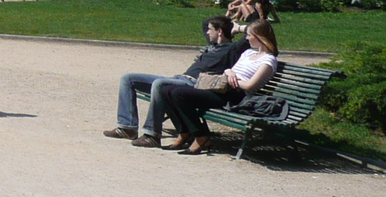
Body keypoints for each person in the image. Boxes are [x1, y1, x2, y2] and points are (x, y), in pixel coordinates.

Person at [105, 16, 246, 146]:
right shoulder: (212, 46)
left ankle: (152, 135)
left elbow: (258, 31)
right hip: (178, 79)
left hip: (193, 84)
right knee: (128, 78)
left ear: (220, 31)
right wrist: (226, 26)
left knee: (159, 84)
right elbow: (205, 22)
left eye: (210, 30)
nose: (207, 32)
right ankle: (127, 127)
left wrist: (238, 28)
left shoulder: (232, 49)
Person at [155, 20, 280, 155]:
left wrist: (234, 79)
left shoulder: (268, 60)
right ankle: (184, 133)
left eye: (250, 35)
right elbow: (228, 71)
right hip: (222, 88)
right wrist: (229, 72)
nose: (247, 38)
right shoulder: (248, 53)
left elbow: (250, 86)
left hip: (236, 96)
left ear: (259, 37)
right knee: (166, 90)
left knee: (179, 94)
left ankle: (201, 137)